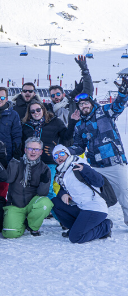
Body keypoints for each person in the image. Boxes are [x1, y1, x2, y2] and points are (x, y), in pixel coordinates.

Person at [70, 77, 128, 226]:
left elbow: (118, 105)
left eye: (86, 102)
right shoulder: (79, 126)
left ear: (92, 102)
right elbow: (79, 147)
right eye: (81, 104)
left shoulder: (104, 112)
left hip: (114, 162)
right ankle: (95, 220)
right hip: (96, 165)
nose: (84, 106)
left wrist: (122, 92)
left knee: (124, 193)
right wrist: (66, 151)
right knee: (94, 195)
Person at [51, 145, 113, 243]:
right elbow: (63, 187)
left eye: (61, 153)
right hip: (81, 207)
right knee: (55, 202)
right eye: (55, 156)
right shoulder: (61, 173)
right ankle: (76, 228)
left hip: (94, 208)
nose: (59, 157)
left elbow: (99, 182)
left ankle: (105, 226)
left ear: (67, 153)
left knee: (75, 238)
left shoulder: (78, 165)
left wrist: (85, 169)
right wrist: (63, 194)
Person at [21, 100, 76, 199]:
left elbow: (67, 137)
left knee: (47, 188)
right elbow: (22, 143)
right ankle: (37, 210)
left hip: (48, 161)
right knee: (32, 188)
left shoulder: (55, 121)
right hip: (31, 162)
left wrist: (72, 122)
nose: (36, 113)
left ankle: (55, 211)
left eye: (38, 110)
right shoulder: (26, 125)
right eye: (32, 111)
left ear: (43, 109)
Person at [3, 137, 53, 238]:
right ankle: (22, 223)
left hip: (32, 205)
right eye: (30, 149)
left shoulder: (44, 168)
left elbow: (42, 194)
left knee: (45, 203)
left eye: (36, 149)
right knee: (10, 234)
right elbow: (9, 179)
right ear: (25, 150)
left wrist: (44, 182)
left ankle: (32, 226)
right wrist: (14, 161)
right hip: (15, 204)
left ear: (41, 152)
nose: (33, 152)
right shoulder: (17, 162)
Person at [46, 57, 93, 125]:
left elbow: (88, 91)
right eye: (53, 95)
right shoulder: (49, 109)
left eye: (58, 94)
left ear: (63, 95)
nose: (55, 97)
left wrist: (85, 71)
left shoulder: (73, 104)